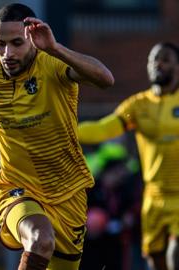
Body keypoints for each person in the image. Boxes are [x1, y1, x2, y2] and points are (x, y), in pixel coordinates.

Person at [0, 3, 114, 270]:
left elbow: (106, 79)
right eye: (0, 44)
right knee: (40, 239)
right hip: (16, 187)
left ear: (33, 41)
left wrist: (55, 48)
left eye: (16, 43)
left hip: (68, 193)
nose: (7, 53)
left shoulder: (52, 64)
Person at [77, 42, 179, 270]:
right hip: (153, 197)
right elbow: (104, 128)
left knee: (176, 253)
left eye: (165, 59)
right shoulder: (139, 105)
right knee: (156, 260)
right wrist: (67, 130)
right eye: (153, 59)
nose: (158, 64)